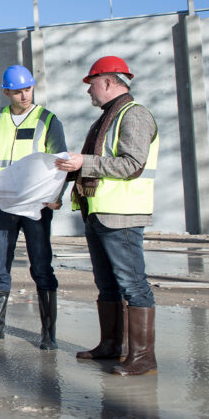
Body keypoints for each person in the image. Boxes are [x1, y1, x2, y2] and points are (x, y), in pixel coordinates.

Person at [55, 56, 159, 376]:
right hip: (98, 211)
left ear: (108, 82)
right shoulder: (104, 120)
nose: (89, 92)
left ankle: (142, 357)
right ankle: (111, 346)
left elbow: (132, 164)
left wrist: (83, 163)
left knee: (133, 284)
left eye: (91, 85)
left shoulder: (134, 115)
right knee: (107, 285)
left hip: (122, 215)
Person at [0, 64, 66, 349]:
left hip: (36, 204)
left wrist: (56, 195)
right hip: (3, 202)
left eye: (28, 89)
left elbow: (60, 161)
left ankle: (48, 334)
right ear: (6, 91)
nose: (25, 95)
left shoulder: (47, 119)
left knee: (41, 267)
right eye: (18, 91)